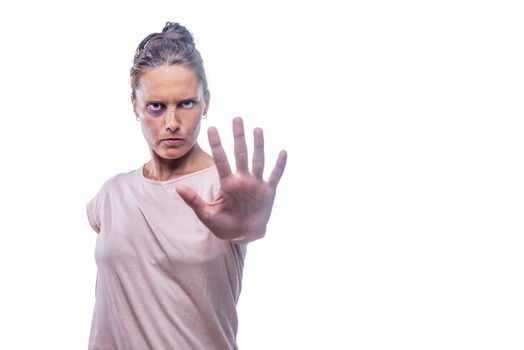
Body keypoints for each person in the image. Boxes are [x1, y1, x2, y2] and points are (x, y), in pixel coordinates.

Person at [86, 22, 287, 349]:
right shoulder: (111, 195)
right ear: (134, 105)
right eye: (156, 106)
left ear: (206, 102)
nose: (172, 123)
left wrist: (247, 228)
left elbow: (242, 227)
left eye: (186, 103)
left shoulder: (224, 189)